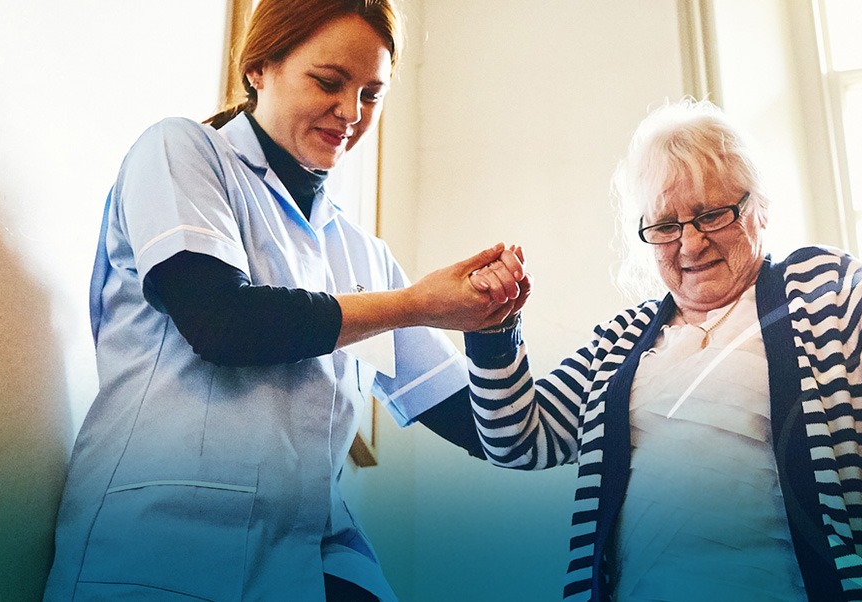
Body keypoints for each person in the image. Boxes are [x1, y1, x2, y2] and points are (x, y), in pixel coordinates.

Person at [460, 101, 862, 601]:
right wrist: (494, 331)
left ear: (759, 210)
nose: (689, 241)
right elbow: (519, 438)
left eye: (711, 214)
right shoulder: (620, 339)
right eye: (665, 224)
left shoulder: (818, 285)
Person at [43, 1, 526, 600]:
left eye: (371, 95)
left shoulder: (361, 254)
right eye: (329, 82)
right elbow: (223, 322)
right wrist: (418, 305)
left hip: (296, 564)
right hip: (157, 552)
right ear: (260, 68)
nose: (350, 113)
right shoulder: (181, 153)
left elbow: (483, 425)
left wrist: (491, 322)